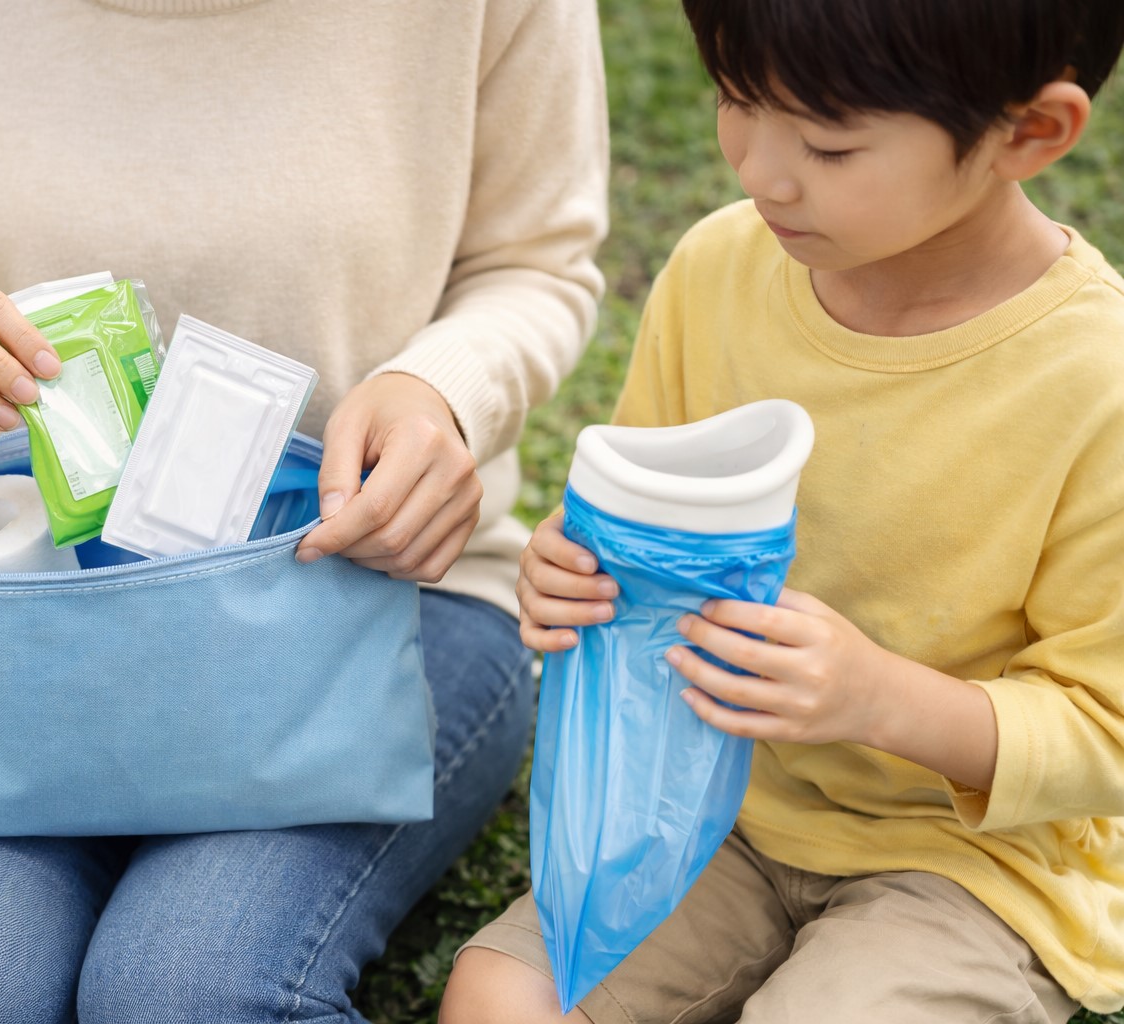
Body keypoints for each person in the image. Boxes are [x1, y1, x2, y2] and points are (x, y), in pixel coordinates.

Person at [0, 0, 608, 1020]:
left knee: (184, 986)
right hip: (19, 625)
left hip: (374, 595)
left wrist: (441, 391)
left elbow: (536, 262)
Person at [440, 1, 1124, 1021]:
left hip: (968, 866)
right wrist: (572, 572)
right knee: (500, 993)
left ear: (1029, 131)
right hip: (707, 810)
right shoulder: (720, 269)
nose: (760, 169)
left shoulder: (1094, 383)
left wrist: (877, 697)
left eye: (829, 143)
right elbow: (636, 533)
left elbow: (1105, 731)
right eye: (735, 98)